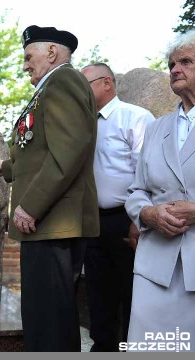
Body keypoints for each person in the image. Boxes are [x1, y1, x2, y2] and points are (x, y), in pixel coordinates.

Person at [0, 25, 98, 351]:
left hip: (52, 221)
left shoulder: (64, 81)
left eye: (27, 56)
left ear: (51, 53)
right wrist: (7, 168)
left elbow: (70, 148)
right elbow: (40, 150)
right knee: (45, 313)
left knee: (48, 317)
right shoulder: (51, 85)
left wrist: (31, 205)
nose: (24, 65)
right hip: (48, 222)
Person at [124, 29, 195, 351]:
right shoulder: (156, 128)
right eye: (171, 64)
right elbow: (137, 189)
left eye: (186, 62)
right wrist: (148, 213)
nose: (175, 70)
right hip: (156, 264)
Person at [79, 63, 154, 352]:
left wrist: (139, 219)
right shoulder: (84, 122)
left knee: (131, 290)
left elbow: (145, 171)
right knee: (97, 291)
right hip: (92, 220)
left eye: (86, 84)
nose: (81, 92)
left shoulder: (135, 117)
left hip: (126, 217)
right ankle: (103, 348)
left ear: (107, 83)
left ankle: (131, 349)